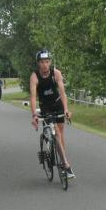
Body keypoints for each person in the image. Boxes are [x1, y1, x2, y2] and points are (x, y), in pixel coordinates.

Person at [29, 49, 74, 178]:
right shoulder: (34, 77)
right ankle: (66, 165)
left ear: (50, 62)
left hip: (57, 104)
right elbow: (33, 97)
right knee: (56, 132)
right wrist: (34, 114)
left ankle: (61, 156)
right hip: (46, 107)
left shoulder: (56, 73)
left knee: (60, 133)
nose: (45, 64)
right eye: (42, 62)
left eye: (47, 61)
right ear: (38, 63)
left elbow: (63, 93)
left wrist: (66, 109)